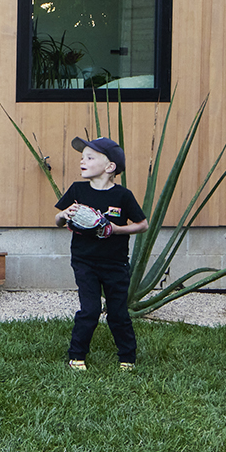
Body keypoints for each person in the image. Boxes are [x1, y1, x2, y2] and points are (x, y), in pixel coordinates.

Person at [54, 136, 149, 370]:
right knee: (90, 310)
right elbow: (57, 220)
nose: (82, 161)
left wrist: (116, 229)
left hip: (115, 264)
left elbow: (142, 224)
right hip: (84, 261)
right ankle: (76, 356)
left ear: (110, 167)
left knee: (117, 312)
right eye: (82, 157)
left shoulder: (122, 196)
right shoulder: (77, 190)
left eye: (89, 157)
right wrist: (64, 215)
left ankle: (127, 358)